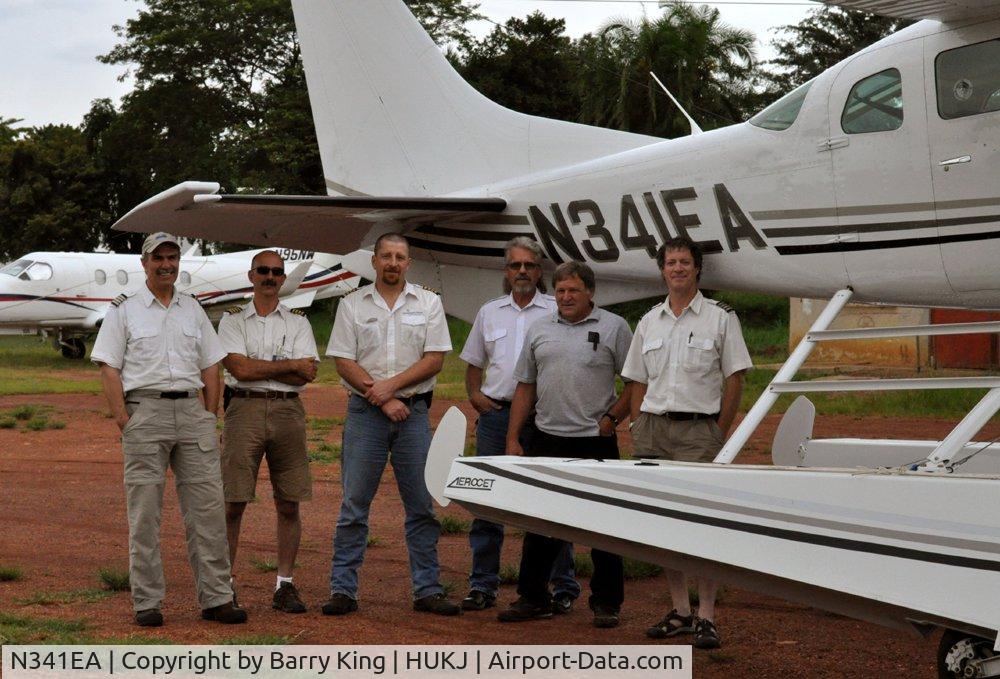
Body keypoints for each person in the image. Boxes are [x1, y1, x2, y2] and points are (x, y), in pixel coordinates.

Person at [91, 232, 245, 627]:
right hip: (145, 413)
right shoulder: (124, 310)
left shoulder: (192, 308)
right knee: (145, 514)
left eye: (172, 257)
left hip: (192, 414)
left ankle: (217, 598)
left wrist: (209, 415)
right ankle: (147, 602)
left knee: (208, 511)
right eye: (158, 257)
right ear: (144, 263)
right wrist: (124, 420)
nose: (166, 264)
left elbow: (211, 364)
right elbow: (109, 367)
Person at [622, 236, 752, 650]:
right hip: (653, 431)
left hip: (700, 432)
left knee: (702, 523)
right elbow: (637, 379)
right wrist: (638, 424)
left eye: (684, 262)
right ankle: (680, 610)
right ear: (662, 270)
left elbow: (735, 377)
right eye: (671, 262)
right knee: (662, 524)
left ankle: (706, 616)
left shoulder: (720, 318)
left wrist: (718, 431)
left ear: (697, 269)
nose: (677, 268)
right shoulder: (649, 321)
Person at [322, 233, 459, 616]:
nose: (393, 263)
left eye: (400, 257)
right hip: (366, 415)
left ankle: (428, 590)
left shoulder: (429, 303)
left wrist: (391, 389)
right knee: (354, 506)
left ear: (408, 263)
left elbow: (434, 360)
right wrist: (383, 399)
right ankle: (343, 590)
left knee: (421, 507)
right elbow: (343, 361)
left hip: (412, 416)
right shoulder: (352, 304)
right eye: (386, 256)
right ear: (374, 261)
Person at [498, 261, 633, 628]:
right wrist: (513, 437)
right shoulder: (540, 329)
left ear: (590, 292)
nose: (566, 297)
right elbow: (526, 385)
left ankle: (607, 602)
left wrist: (612, 419)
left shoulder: (614, 327)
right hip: (547, 439)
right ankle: (533, 598)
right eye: (560, 291)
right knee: (541, 524)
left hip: (595, 442)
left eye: (574, 290)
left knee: (604, 527)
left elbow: (636, 381)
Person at [458, 237, 580, 613]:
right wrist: (476, 396)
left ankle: (562, 586)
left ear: (540, 270)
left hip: (544, 419)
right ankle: (483, 584)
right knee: (488, 500)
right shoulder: (489, 312)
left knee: (550, 501)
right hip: (497, 416)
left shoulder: (557, 309)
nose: (522, 271)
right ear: (506, 271)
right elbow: (474, 362)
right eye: (515, 265)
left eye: (529, 265)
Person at [217, 249, 320, 614]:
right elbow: (239, 370)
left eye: (277, 272)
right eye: (263, 270)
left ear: (283, 278)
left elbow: (306, 374)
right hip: (243, 409)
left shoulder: (298, 322)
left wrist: (263, 367)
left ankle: (284, 584)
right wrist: (288, 365)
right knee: (233, 501)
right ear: (251, 275)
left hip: (288, 411)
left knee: (289, 501)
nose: (270, 277)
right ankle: (223, 586)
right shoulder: (232, 320)